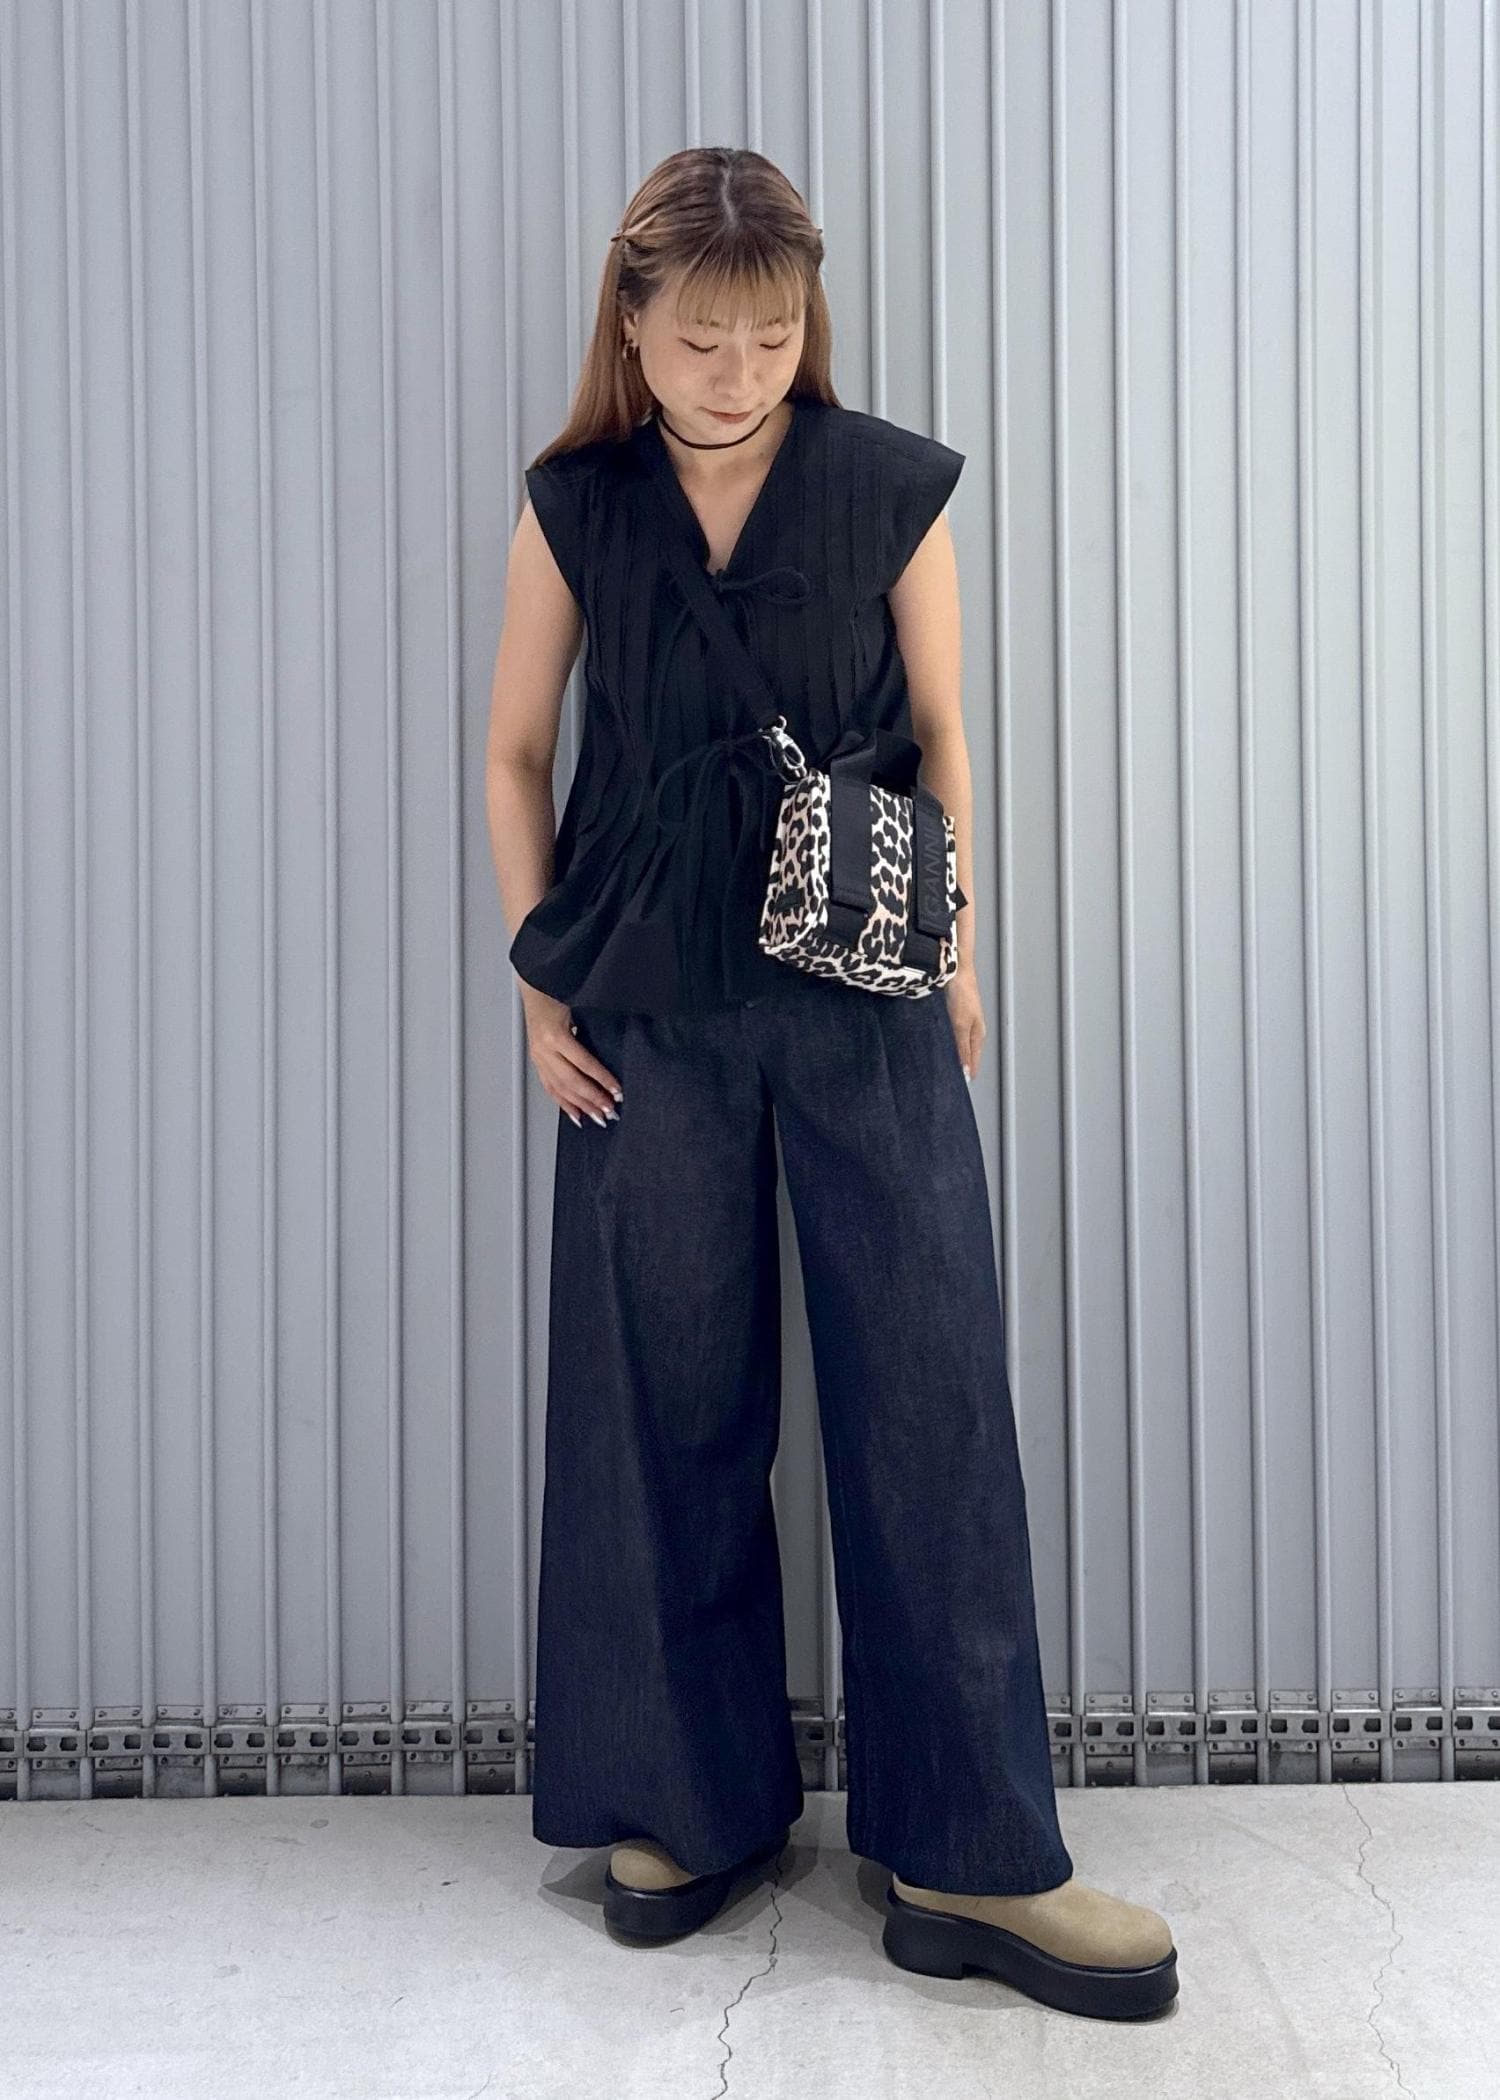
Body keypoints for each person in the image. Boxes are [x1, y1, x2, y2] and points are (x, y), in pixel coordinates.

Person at [486, 147, 1178, 2021]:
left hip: (864, 983)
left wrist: (962, 954)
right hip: (647, 1005)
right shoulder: (576, 506)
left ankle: (970, 1853)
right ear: (632, 325)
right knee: (659, 1399)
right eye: (702, 337)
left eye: (772, 334)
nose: (739, 370)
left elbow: (944, 737)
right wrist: (536, 974)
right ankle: (682, 1804)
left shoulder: (885, 485)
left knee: (929, 1395)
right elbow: (515, 750)